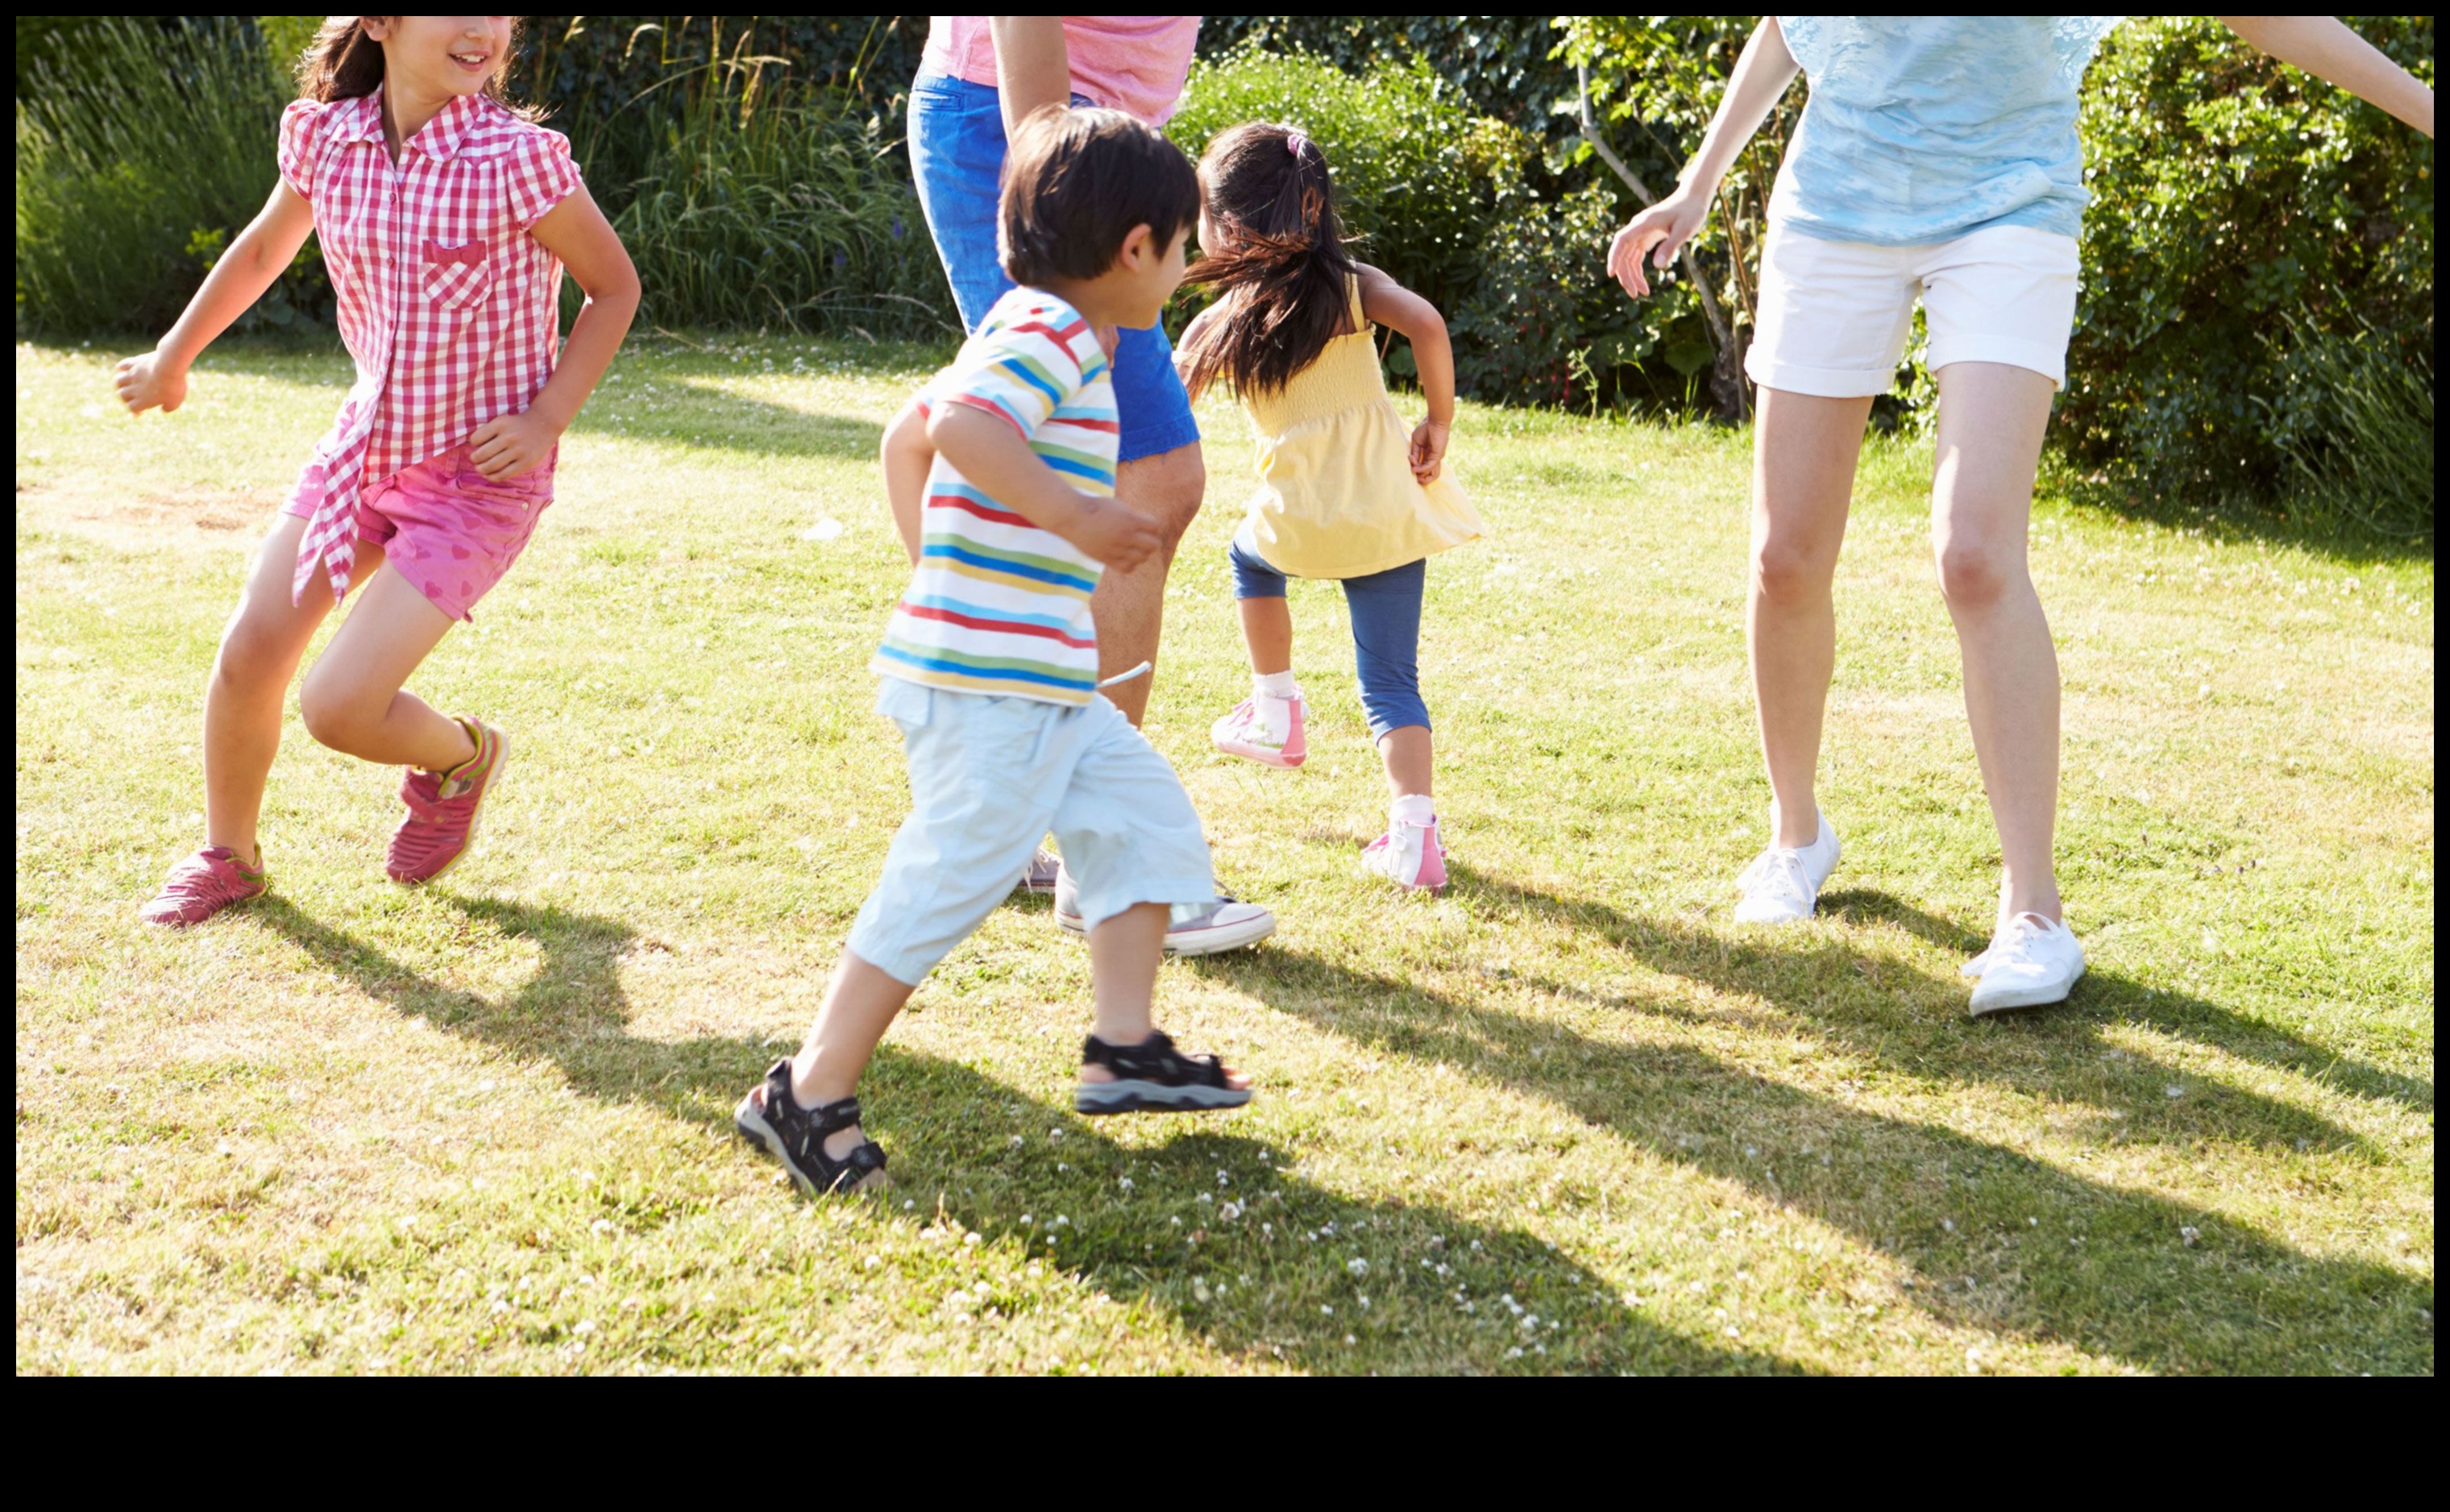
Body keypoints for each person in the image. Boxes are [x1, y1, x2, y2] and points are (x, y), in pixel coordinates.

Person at [1607, 16, 2433, 1016]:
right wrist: (1699, 184)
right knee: (1785, 557)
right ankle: (1795, 836)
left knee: (1974, 555)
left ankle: (2033, 912)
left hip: (2010, 208)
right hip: (1835, 207)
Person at [736, 109, 1255, 1197]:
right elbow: (964, 431)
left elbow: (908, 435)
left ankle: (1125, 1047)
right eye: (1179, 247)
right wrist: (1074, 520)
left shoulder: (1037, 325)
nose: (1183, 269)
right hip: (990, 685)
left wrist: (939, 571)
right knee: (954, 872)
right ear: (1133, 250)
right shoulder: (1050, 333)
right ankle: (809, 1090)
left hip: (1040, 677)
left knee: (1143, 819)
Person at [116, 15, 637, 925]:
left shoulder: (518, 160)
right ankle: (228, 856)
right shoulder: (327, 137)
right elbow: (263, 251)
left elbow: (613, 285)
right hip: (364, 453)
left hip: (479, 481)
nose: (483, 30)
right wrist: (174, 355)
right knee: (251, 654)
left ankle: (461, 757)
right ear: (382, 22)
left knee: (337, 707)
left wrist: (546, 416)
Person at [908, 15, 1277, 950]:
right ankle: (1106, 855)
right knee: (1147, 484)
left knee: (1114, 482)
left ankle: (1013, 807)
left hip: (1094, 154)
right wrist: (1077, 255)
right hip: (1031, 143)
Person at [1178, 123, 1482, 891]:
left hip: (1296, 523)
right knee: (1390, 683)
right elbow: (1429, 324)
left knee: (1247, 559)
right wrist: (1437, 421)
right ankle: (1415, 838)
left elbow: (1171, 397)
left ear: (1225, 227)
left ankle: (1275, 709)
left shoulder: (1223, 320)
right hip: (1385, 514)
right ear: (1313, 205)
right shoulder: (1354, 286)